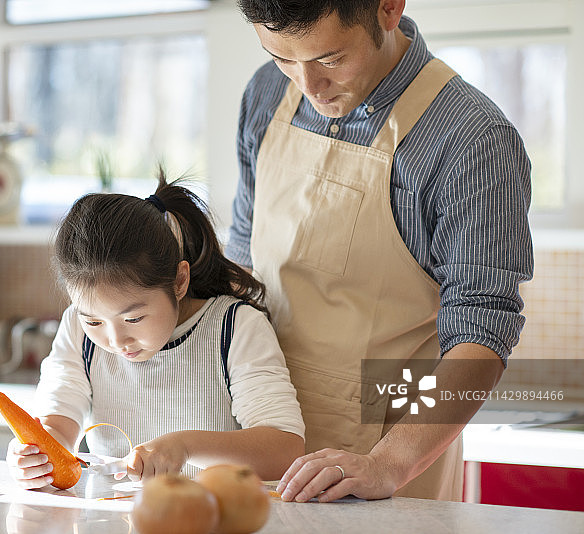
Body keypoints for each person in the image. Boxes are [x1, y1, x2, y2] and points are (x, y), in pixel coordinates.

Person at [225, 0, 533, 502]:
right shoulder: (264, 92)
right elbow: (242, 262)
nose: (307, 85)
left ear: (388, 8)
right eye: (281, 57)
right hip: (257, 439)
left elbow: (483, 330)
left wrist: (387, 464)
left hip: (384, 459)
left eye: (328, 59)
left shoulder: (471, 139)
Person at [6, 170, 305, 488]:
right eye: (94, 321)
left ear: (179, 281)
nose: (116, 340)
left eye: (133, 319)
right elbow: (58, 423)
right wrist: (35, 456)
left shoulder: (236, 328)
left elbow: (286, 450)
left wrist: (185, 447)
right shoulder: (76, 329)